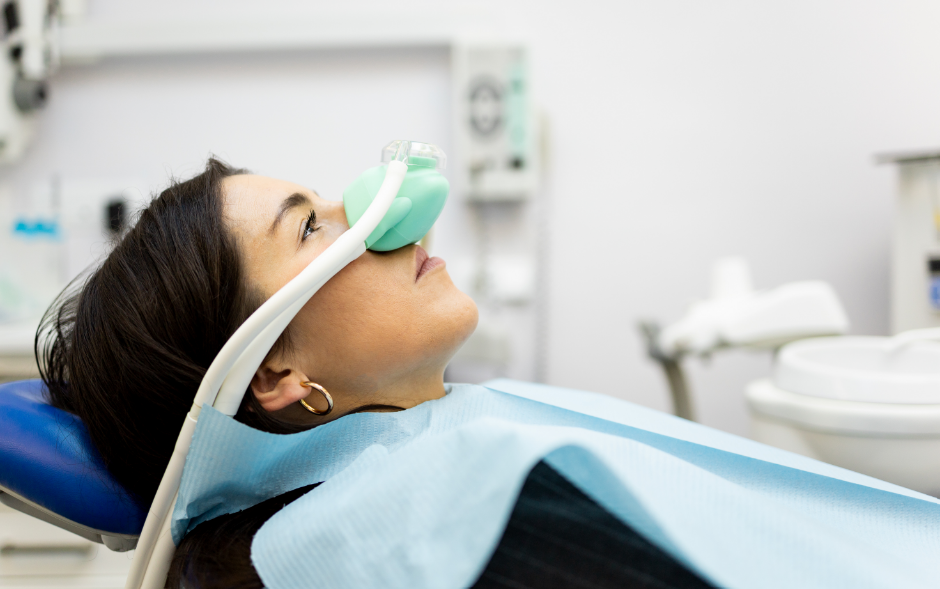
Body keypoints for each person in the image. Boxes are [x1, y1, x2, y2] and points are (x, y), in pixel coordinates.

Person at [38, 159, 715, 588]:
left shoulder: (449, 457)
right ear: (276, 368)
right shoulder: (427, 538)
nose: (375, 216)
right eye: (309, 228)